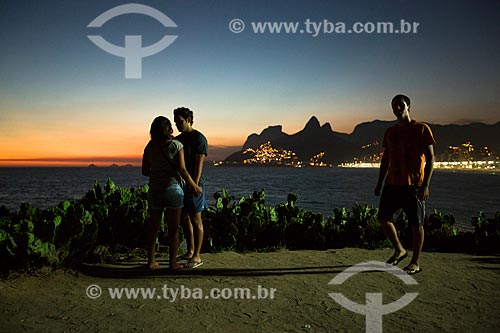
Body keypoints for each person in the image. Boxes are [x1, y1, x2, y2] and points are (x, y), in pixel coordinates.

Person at [374, 94, 435, 275]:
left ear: (409, 107)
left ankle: (415, 262)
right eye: (394, 106)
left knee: (416, 224)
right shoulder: (390, 132)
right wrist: (379, 183)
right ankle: (400, 250)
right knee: (383, 218)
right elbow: (385, 160)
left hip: (413, 185)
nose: (397, 109)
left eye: (401, 105)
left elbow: (431, 158)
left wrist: (425, 185)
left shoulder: (422, 129)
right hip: (391, 183)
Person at [142, 116, 202, 270]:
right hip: (173, 190)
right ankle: (172, 263)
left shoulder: (149, 146)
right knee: (173, 229)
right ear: (168, 128)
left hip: (155, 190)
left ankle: (150, 262)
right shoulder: (176, 145)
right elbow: (182, 170)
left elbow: (145, 171)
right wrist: (194, 186)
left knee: (153, 228)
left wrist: (158, 173)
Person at [173, 107, 208, 269]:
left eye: (179, 121)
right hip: (181, 184)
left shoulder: (198, 138)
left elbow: (199, 163)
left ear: (188, 120)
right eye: (175, 122)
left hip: (195, 184)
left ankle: (197, 256)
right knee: (184, 218)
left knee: (196, 218)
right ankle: (190, 250)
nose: (177, 124)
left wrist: (194, 184)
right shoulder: (178, 139)